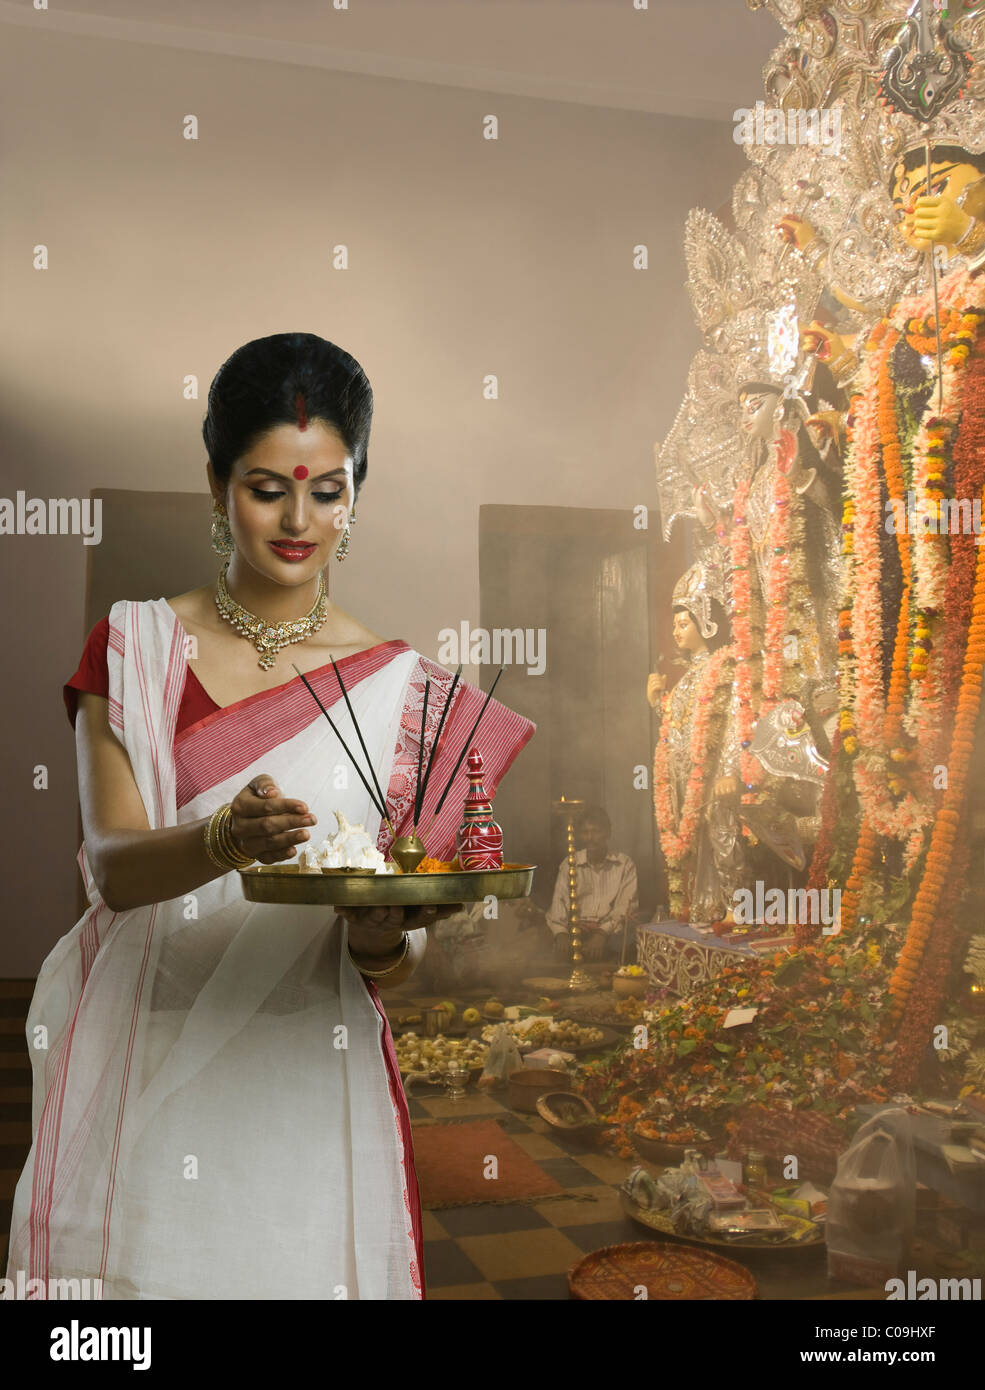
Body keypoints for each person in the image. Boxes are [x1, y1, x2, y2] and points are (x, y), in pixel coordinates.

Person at [4, 332, 534, 1300]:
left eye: (326, 491)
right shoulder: (134, 644)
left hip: (304, 1054)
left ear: (354, 496)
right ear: (216, 487)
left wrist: (382, 934)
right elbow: (114, 871)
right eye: (265, 487)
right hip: (147, 1037)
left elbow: (393, 961)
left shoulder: (404, 692)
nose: (298, 519)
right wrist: (221, 842)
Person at [544, 806, 639, 963]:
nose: (590, 838)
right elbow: (558, 904)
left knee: (629, 943)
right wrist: (561, 934)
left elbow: (625, 907)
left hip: (610, 933)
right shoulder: (569, 864)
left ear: (608, 833)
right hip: (575, 930)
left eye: (596, 832)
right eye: (585, 832)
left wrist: (601, 934)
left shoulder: (624, 864)